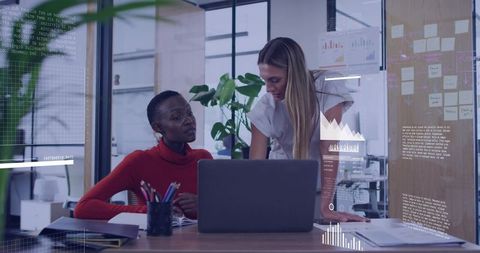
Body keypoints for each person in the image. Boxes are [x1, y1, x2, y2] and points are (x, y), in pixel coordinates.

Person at [247, 37, 368, 222]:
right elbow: (255, 168)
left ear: (294, 74)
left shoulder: (328, 87)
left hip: (319, 190)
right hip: (278, 190)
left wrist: (327, 207)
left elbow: (328, 147)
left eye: (275, 80)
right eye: (265, 80)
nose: (268, 88)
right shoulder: (265, 108)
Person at [74, 90, 213, 220]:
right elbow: (83, 207)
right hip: (157, 243)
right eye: (176, 117)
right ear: (158, 128)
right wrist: (150, 211)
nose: (189, 120)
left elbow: (226, 205)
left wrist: (204, 205)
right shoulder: (139, 161)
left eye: (189, 113)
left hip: (204, 243)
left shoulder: (204, 158)